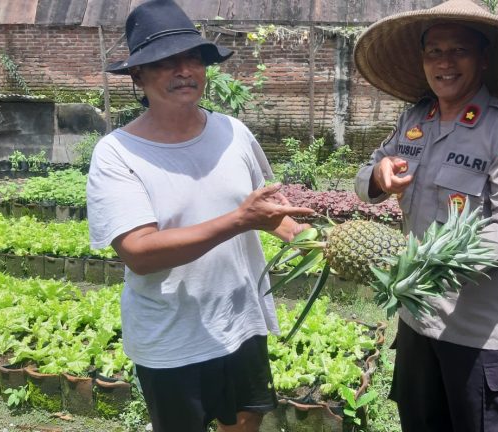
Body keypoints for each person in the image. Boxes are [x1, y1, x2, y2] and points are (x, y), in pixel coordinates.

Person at [86, 1, 314, 431]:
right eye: (165, 62)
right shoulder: (117, 153)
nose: (183, 70)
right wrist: (239, 220)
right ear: (137, 76)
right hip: (172, 336)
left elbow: (263, 212)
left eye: (192, 58)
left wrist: (311, 237)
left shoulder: (233, 132)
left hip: (241, 319)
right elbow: (139, 252)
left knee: (247, 420)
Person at [353, 1, 498, 431]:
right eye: (434, 51)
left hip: (478, 332)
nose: (444, 63)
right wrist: (377, 174)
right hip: (417, 319)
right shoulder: (414, 120)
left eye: (459, 50)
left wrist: (434, 266)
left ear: (484, 59)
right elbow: (367, 175)